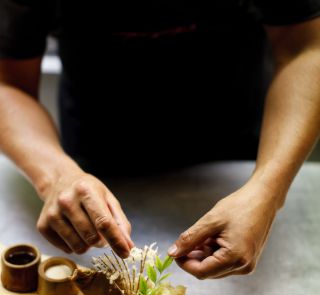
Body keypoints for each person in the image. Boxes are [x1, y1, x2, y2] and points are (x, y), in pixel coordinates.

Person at [0, 1, 319, 279]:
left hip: (237, 147)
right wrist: (56, 176)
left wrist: (267, 190)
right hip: (98, 150)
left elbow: (306, 47)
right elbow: (8, 82)